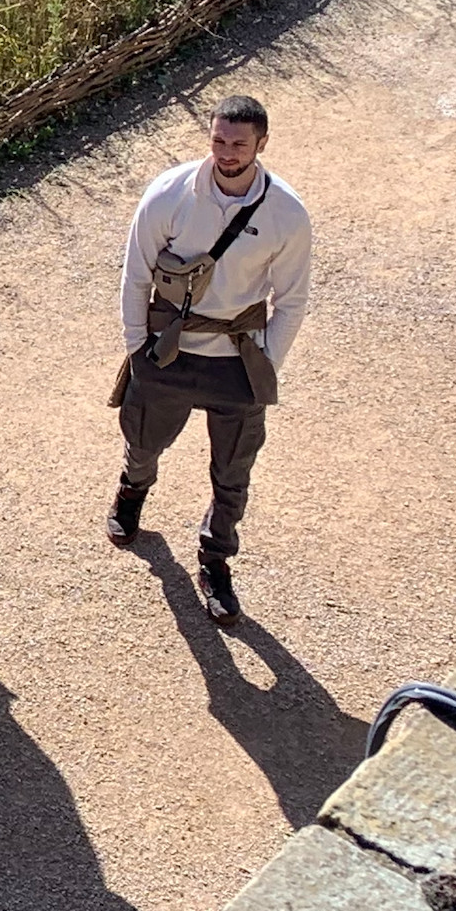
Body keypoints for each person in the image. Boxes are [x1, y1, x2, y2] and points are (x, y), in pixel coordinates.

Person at [110, 93, 313, 625]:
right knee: (143, 439)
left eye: (239, 144)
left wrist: (267, 361)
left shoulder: (287, 213)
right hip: (168, 351)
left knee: (233, 471)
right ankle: (133, 489)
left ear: (262, 144)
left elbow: (291, 300)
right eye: (219, 140)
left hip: (237, 359)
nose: (226, 152)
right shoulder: (169, 194)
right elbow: (136, 275)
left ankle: (215, 559)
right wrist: (137, 347)